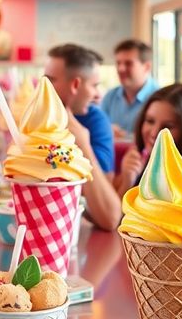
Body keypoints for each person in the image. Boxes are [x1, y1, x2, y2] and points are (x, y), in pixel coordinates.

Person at [44, 44, 122, 231]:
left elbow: (109, 218)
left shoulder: (95, 121)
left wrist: (82, 142)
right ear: (76, 85)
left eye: (49, 80)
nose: (98, 94)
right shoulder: (35, 120)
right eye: (94, 85)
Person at [117, 84, 182, 194]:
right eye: (150, 121)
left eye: (168, 127)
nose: (154, 133)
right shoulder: (145, 164)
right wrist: (127, 181)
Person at [100, 39, 158, 139]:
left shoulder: (160, 99)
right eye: (118, 63)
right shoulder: (110, 96)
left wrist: (126, 136)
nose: (121, 69)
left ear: (147, 67)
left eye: (128, 63)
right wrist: (106, 129)